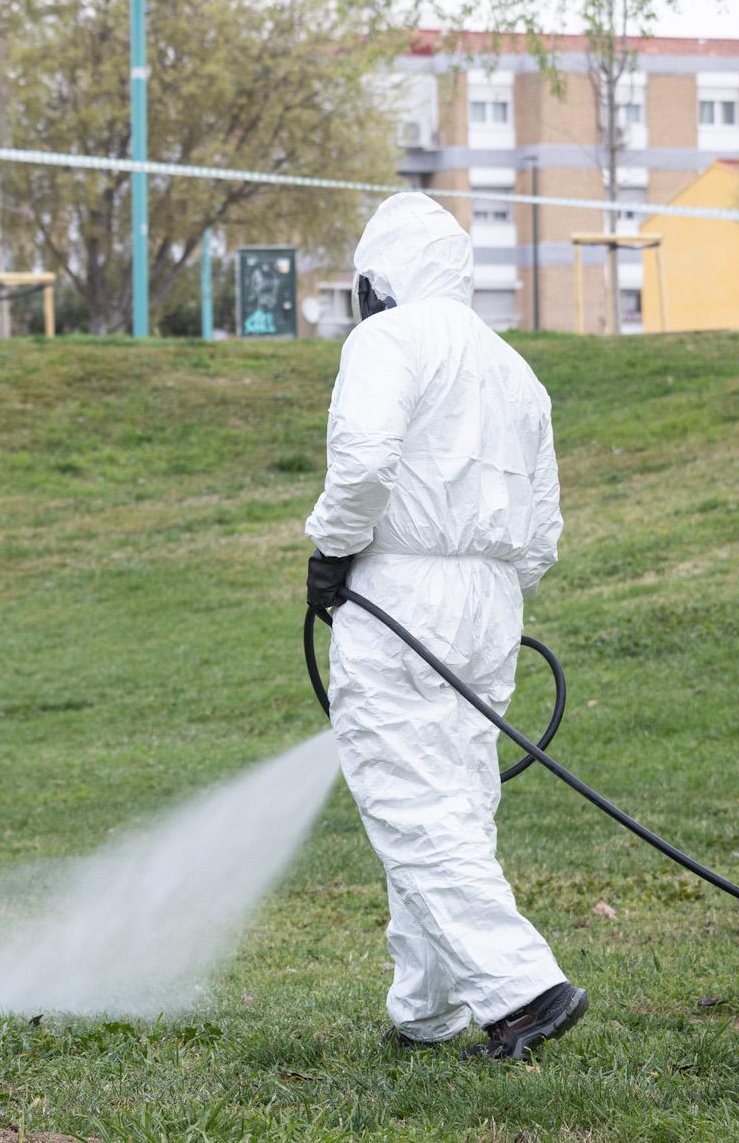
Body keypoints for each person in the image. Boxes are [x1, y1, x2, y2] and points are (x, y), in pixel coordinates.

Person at [304, 191, 584, 1060]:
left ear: (379, 276)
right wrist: (490, 586)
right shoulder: (513, 367)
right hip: (493, 601)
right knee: (453, 802)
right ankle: (427, 1010)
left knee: (407, 799)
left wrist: (332, 550)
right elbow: (544, 527)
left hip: (402, 591)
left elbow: (364, 461)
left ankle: (521, 990)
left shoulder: (388, 339)